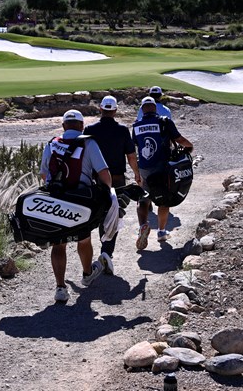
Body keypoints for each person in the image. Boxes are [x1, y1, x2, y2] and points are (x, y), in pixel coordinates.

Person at [40, 109, 113, 304]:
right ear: (82, 126)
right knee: (84, 239)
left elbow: (43, 174)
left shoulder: (52, 144)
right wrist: (108, 194)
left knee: (58, 243)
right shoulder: (89, 143)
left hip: (56, 199)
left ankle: (60, 288)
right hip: (82, 201)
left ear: (63, 126)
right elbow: (104, 173)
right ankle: (87, 273)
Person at [84, 96, 140, 276]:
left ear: (100, 109)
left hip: (95, 182)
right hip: (117, 181)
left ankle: (101, 251)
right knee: (113, 216)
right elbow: (131, 156)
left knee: (97, 216)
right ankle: (106, 251)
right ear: (115, 111)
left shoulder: (90, 130)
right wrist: (137, 174)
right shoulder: (123, 130)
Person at [132, 96, 193, 248]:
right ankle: (161, 232)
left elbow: (133, 150)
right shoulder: (164, 121)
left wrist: (136, 172)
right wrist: (189, 147)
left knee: (143, 199)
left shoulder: (136, 125)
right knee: (164, 200)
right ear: (155, 108)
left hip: (144, 167)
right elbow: (178, 139)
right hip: (163, 168)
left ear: (142, 110)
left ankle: (142, 226)